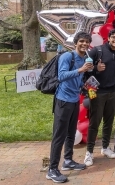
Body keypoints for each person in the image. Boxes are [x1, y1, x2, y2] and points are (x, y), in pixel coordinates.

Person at [47, 32, 93, 183]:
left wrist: (84, 85)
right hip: (63, 100)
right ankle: (52, 169)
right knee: (59, 135)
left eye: (87, 42)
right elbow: (61, 76)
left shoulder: (83, 59)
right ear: (75, 43)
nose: (84, 44)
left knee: (70, 133)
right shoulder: (67, 57)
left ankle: (68, 160)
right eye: (81, 41)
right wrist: (81, 70)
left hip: (74, 100)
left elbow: (76, 80)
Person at [84, 28, 115, 166]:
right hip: (97, 92)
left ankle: (105, 147)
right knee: (94, 122)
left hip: (112, 92)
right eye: (113, 37)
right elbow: (84, 67)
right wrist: (96, 68)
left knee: (109, 121)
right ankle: (89, 152)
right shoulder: (98, 50)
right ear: (108, 38)